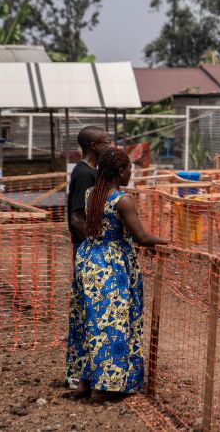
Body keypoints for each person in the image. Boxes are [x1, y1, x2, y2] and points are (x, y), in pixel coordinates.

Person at [66, 149, 167, 402]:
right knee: (113, 325)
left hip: (89, 258)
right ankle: (103, 388)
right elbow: (140, 237)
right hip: (111, 265)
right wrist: (167, 243)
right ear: (121, 172)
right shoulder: (122, 200)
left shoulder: (92, 195)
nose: (131, 175)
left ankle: (84, 384)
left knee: (90, 322)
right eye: (130, 171)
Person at [67, 127, 112, 257]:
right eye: (107, 142)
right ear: (94, 146)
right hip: (86, 248)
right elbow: (77, 219)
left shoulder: (92, 171)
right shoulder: (84, 174)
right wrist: (96, 249)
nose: (109, 146)